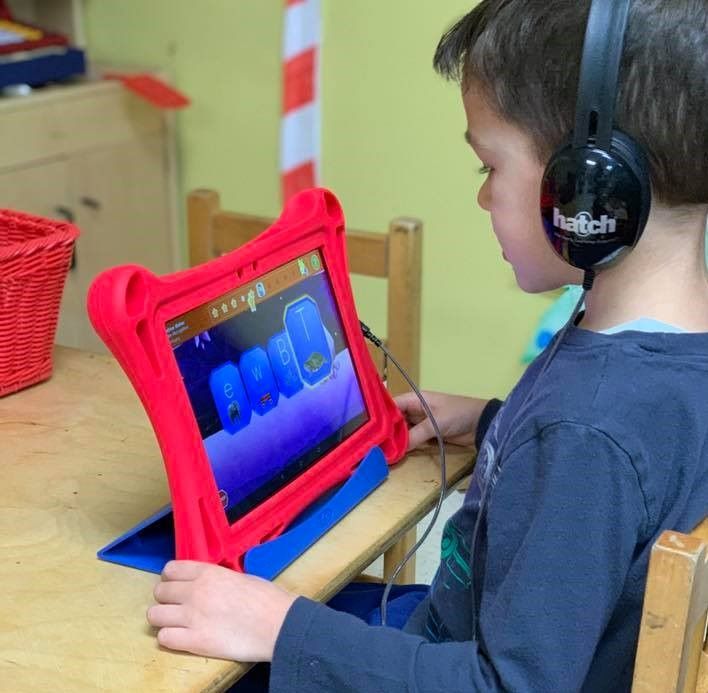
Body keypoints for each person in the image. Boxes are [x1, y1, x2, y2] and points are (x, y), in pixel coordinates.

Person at [146, 1, 708, 690]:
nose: (482, 200)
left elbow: (505, 685)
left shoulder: (585, 430)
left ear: (589, 183)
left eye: (488, 168)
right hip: (455, 633)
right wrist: (494, 421)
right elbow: (626, 494)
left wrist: (281, 626)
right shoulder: (662, 361)